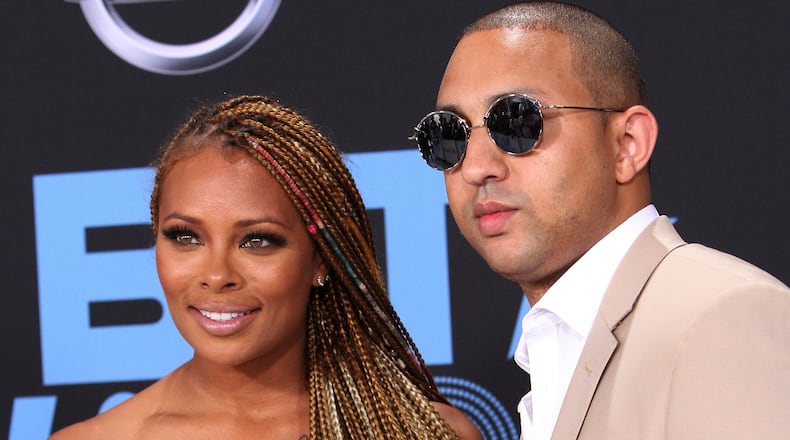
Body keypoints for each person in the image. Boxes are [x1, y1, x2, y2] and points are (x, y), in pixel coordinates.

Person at [409, 2, 790, 439]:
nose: (476, 167)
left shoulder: (721, 317)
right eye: (447, 135)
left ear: (627, 144)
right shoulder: (555, 345)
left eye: (517, 121)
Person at [50, 95, 481, 439]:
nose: (217, 275)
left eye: (257, 241)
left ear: (320, 259)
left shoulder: (426, 432)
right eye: (186, 237)